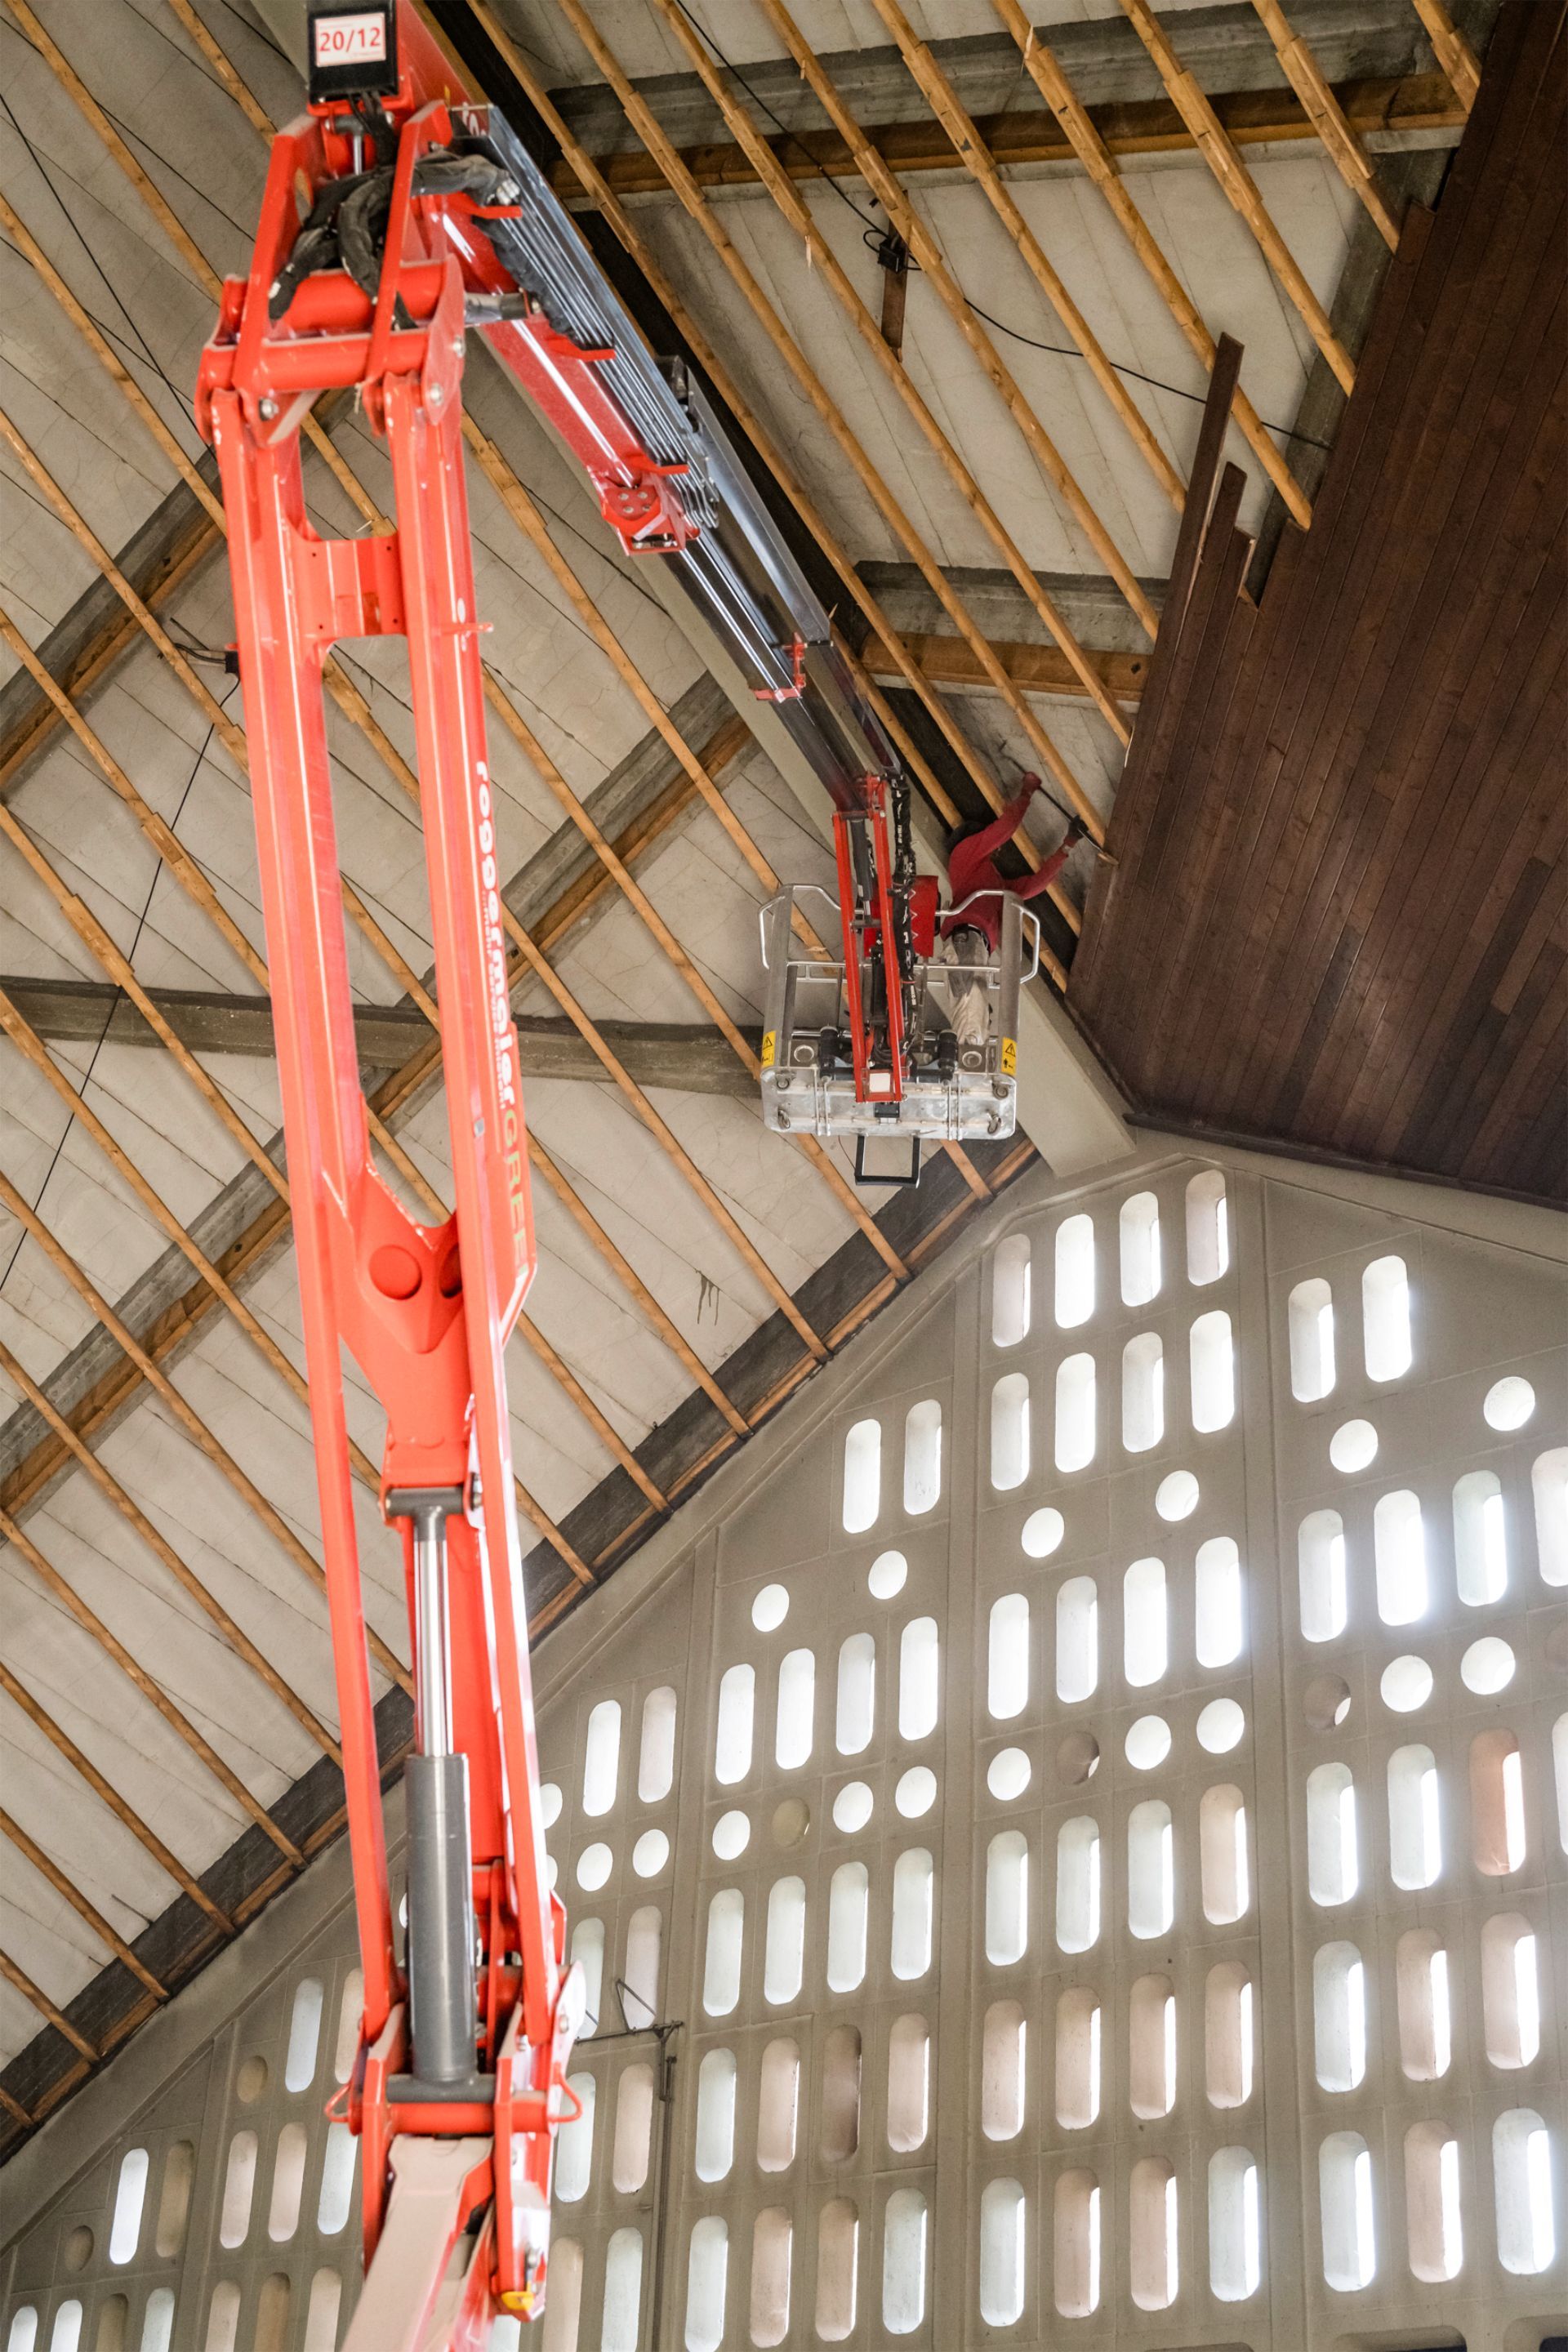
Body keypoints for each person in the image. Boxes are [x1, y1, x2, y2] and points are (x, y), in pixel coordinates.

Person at [941, 776, 1087, 1045]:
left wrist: (1068, 844)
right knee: (972, 1008)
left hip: (972, 943)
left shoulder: (995, 885)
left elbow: (1034, 885)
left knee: (972, 1007)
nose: (995, 849)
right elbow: (1005, 828)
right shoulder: (963, 855)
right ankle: (971, 1058)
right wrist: (1026, 792)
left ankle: (971, 1057)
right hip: (968, 940)